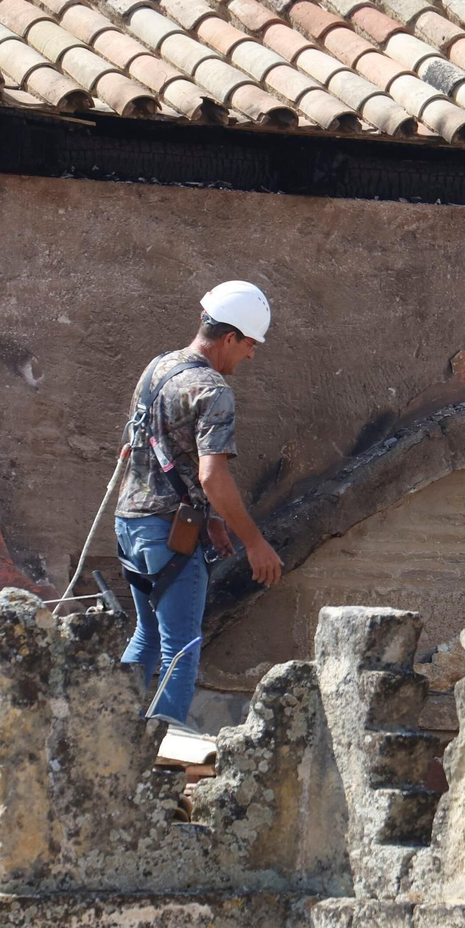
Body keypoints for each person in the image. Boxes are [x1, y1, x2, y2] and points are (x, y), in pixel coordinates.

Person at [116, 281, 283, 728]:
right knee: (182, 647)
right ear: (230, 338)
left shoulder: (158, 369)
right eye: (250, 345)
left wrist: (210, 520)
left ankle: (108, 730)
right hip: (170, 533)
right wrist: (254, 542)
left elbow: (132, 451)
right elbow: (212, 475)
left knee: (147, 637)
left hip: (130, 523)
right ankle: (162, 751)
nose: (251, 355)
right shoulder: (213, 390)